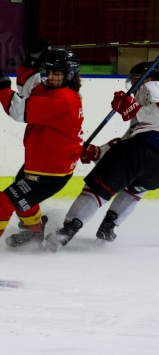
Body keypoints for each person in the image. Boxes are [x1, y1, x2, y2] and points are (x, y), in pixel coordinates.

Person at [0, 49, 84, 253]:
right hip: (40, 164)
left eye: (58, 73)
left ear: (70, 74)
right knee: (23, 200)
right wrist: (31, 61)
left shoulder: (63, 100)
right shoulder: (56, 92)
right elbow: (30, 89)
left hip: (50, 173)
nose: (51, 77)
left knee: (3, 201)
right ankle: (35, 230)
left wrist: (1, 85)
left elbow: (18, 109)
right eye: (49, 71)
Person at [44, 61, 159, 251]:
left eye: (134, 81)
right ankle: (108, 228)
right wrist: (99, 152)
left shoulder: (151, 86)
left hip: (144, 149)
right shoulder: (146, 114)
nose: (132, 86)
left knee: (98, 188)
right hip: (151, 165)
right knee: (134, 189)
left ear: (146, 78)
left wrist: (132, 108)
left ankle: (68, 230)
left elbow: (136, 143)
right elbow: (129, 141)